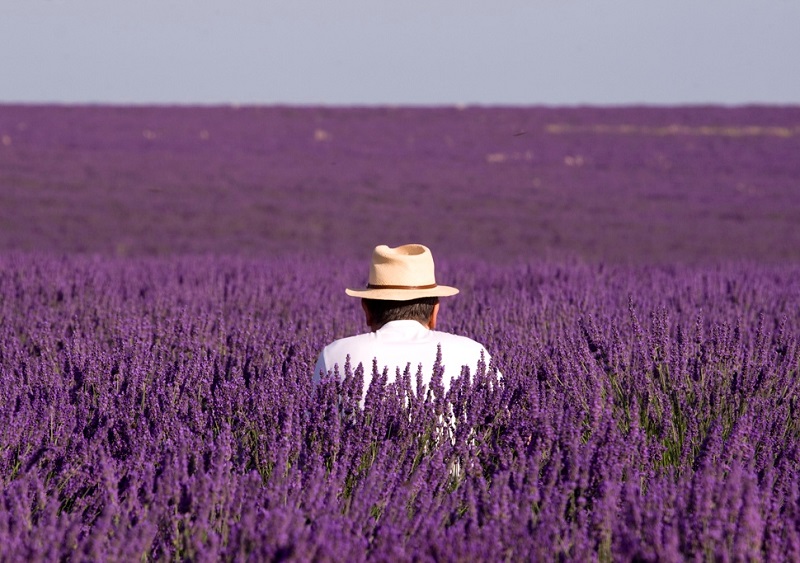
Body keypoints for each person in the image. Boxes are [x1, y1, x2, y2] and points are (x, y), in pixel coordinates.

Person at [313, 244, 494, 394]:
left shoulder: (334, 355)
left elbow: (313, 425)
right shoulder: (474, 354)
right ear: (435, 312)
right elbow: (505, 421)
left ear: (366, 309)